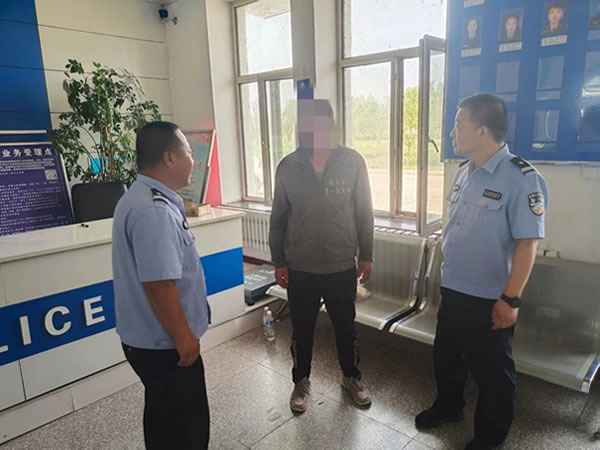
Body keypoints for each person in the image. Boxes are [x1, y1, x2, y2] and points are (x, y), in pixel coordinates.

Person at [415, 93, 548, 450]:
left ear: (482, 131)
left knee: (492, 372)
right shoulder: (465, 171)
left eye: (458, 125)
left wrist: (511, 299)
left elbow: (527, 245)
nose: (452, 133)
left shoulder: (522, 178)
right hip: (454, 285)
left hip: (490, 296)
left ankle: (490, 436)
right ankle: (449, 406)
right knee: (447, 356)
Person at [269, 99, 374, 413]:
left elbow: (364, 212)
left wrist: (366, 255)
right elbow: (278, 218)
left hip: (341, 264)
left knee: (345, 327)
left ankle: (351, 376)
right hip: (300, 267)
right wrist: (279, 260)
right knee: (302, 329)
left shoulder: (352, 162)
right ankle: (301, 380)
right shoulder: (288, 166)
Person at [112, 121, 211, 449]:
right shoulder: (153, 210)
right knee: (186, 427)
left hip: (151, 341)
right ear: (169, 158)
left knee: (163, 416)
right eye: (189, 152)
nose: (193, 160)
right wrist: (183, 336)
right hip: (165, 345)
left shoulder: (141, 196)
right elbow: (159, 284)